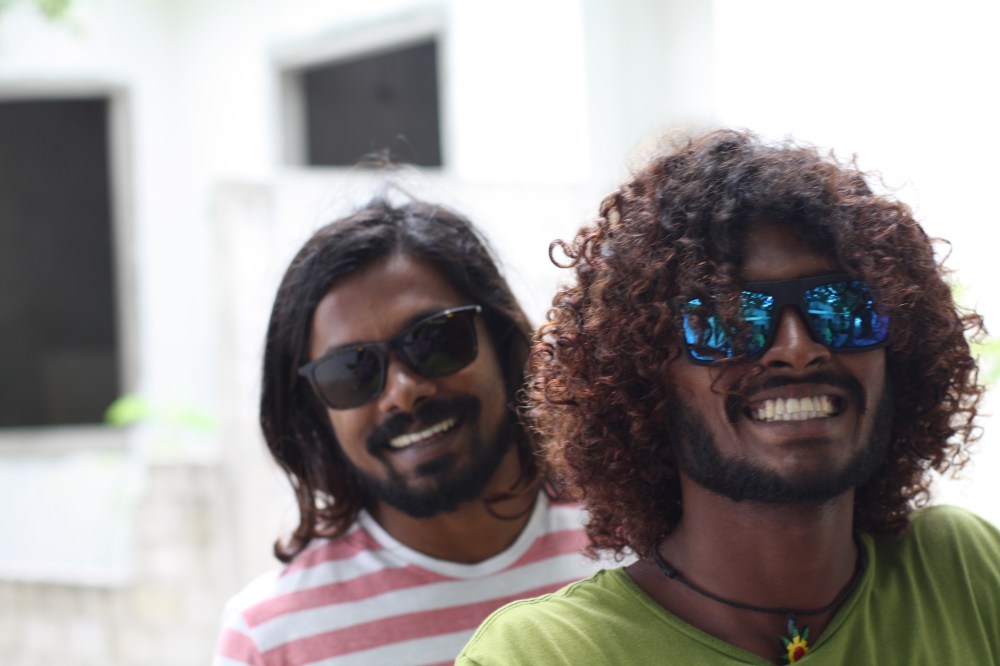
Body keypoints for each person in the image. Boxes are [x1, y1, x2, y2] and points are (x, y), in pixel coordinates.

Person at [458, 129, 1000, 665]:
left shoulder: (965, 568)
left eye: (841, 308)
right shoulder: (544, 654)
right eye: (729, 321)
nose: (798, 349)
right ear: (643, 380)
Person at [213, 198, 598, 665]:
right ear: (316, 414)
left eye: (434, 339)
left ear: (501, 342)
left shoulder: (637, 546)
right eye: (351, 371)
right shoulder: (269, 639)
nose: (403, 392)